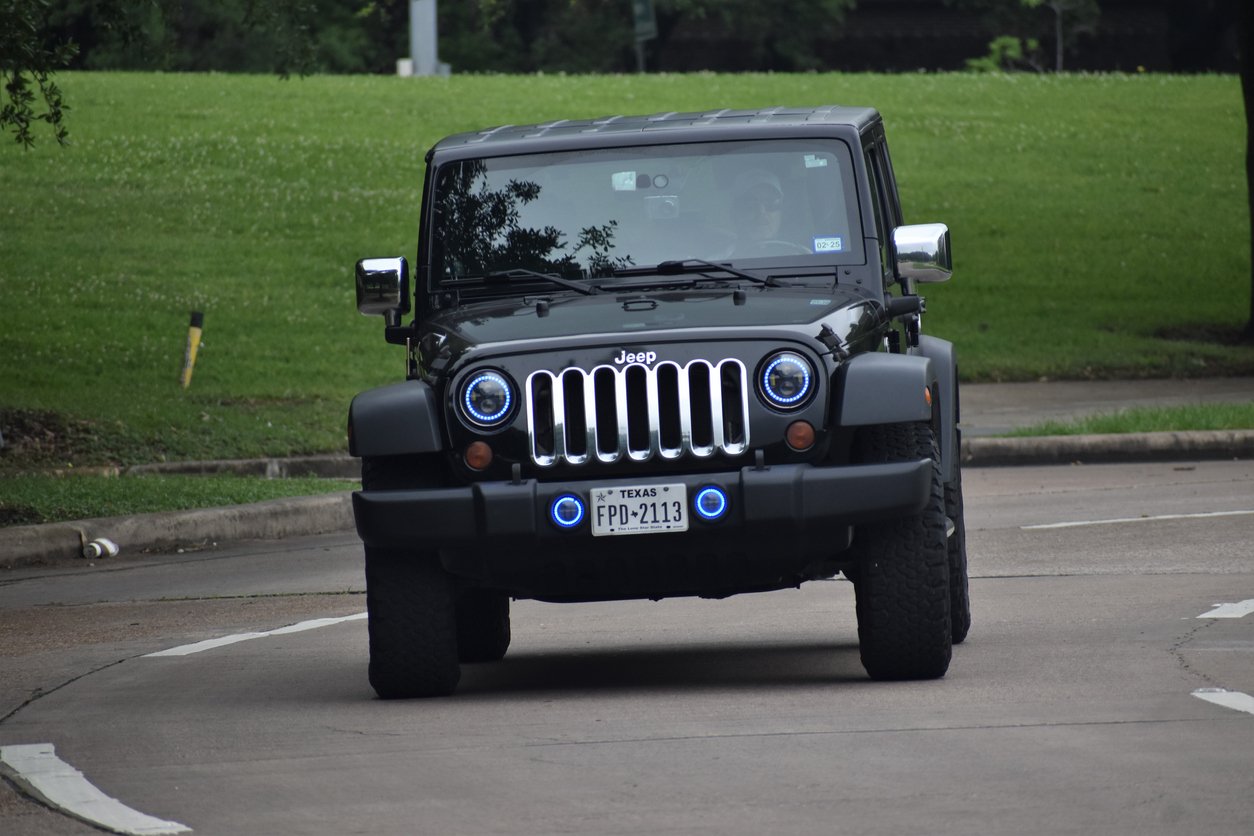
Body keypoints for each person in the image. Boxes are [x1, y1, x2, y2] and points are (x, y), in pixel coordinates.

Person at [727, 169, 809, 256]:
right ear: (735, 212)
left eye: (771, 203)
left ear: (781, 212)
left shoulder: (804, 258)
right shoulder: (718, 261)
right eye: (750, 204)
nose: (761, 212)